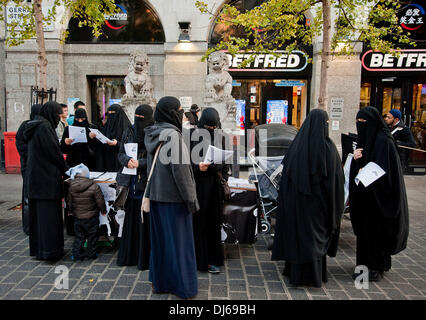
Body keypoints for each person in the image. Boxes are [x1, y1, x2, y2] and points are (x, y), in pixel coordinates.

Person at [271, 109, 345, 288]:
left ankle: (294, 271)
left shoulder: (296, 147)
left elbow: (285, 180)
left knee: (298, 236)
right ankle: (312, 276)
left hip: (297, 205)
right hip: (318, 207)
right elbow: (336, 181)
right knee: (313, 238)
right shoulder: (328, 149)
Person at [144, 96, 199, 299]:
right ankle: (184, 287)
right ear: (171, 113)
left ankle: (160, 282)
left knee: (162, 244)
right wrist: (191, 200)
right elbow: (181, 172)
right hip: (175, 200)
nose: (182, 114)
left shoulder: (153, 132)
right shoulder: (173, 136)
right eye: (179, 110)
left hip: (157, 197)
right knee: (181, 245)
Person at [349, 106, 409, 282]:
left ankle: (375, 267)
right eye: (358, 123)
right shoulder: (366, 140)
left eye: (363, 123)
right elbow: (358, 171)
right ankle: (367, 265)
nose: (360, 126)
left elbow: (388, 176)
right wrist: (355, 160)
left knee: (376, 234)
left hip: (379, 201)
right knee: (366, 236)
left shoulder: (385, 142)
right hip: (365, 199)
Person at [23, 101, 69, 260]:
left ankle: (39, 249)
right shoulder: (44, 128)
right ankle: (50, 251)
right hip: (46, 181)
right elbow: (54, 153)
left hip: (37, 180)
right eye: (57, 115)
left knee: (39, 219)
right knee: (48, 219)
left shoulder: (36, 125)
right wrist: (67, 169)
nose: (58, 118)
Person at [190, 108, 230, 274]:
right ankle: (199, 259)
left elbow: (226, 164)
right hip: (198, 187)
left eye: (213, 128)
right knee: (198, 223)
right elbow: (185, 163)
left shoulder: (222, 136)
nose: (211, 131)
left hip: (214, 188)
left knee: (213, 223)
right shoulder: (192, 137)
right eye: (207, 127)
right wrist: (198, 166)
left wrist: (217, 166)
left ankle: (213, 258)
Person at [116, 105, 154, 270]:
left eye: (142, 117)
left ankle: (145, 256)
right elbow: (120, 152)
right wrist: (127, 161)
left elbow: (156, 158)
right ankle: (130, 255)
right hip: (130, 182)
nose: (139, 120)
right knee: (131, 219)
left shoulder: (153, 132)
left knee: (145, 220)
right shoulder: (129, 131)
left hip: (145, 182)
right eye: (136, 116)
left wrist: (141, 163)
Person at [66, 164, 107, 261]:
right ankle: (91, 254)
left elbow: (69, 201)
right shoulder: (94, 186)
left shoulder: (71, 186)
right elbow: (100, 201)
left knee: (79, 237)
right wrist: (103, 210)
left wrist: (70, 211)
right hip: (91, 217)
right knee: (92, 237)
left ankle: (77, 255)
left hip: (78, 217)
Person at [15, 104, 42, 235]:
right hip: (29, 166)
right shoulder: (26, 126)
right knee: (28, 196)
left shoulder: (40, 126)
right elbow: (21, 145)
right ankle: (29, 225)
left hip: (30, 166)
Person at [95, 104, 131, 172]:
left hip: (120, 161)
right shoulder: (107, 126)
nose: (111, 116)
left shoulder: (126, 128)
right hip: (108, 160)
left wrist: (117, 143)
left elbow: (129, 146)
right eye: (110, 113)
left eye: (113, 113)